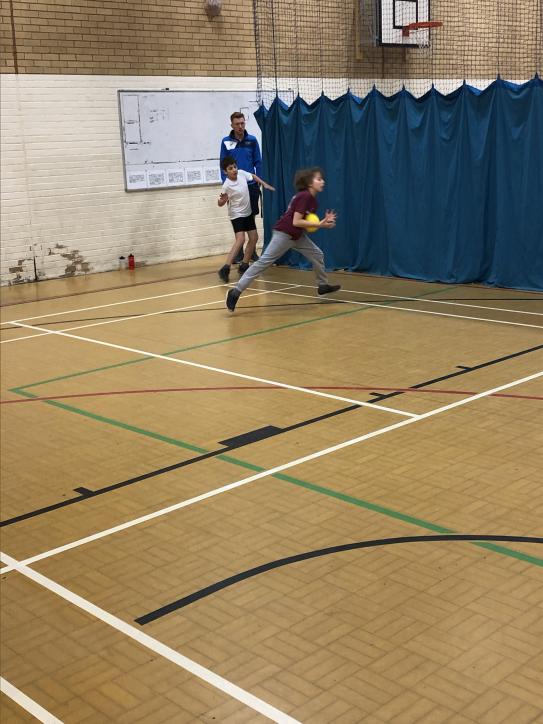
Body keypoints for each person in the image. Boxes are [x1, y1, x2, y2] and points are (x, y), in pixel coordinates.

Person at [226, 167, 341, 312]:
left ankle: (322, 285)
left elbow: (303, 223)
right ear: (310, 183)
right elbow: (296, 221)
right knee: (263, 263)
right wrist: (320, 224)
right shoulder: (304, 196)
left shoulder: (312, 201)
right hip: (284, 234)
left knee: (317, 254)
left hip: (297, 235)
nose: (322, 181)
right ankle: (235, 292)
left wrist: (322, 222)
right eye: (319, 179)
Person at [217, 156, 275, 283]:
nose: (234, 170)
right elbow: (220, 203)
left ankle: (244, 266)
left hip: (247, 213)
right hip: (236, 215)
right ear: (225, 172)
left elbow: (253, 176)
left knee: (254, 238)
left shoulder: (242, 174)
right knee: (241, 239)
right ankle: (225, 268)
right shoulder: (226, 186)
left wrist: (264, 184)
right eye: (230, 168)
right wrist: (222, 200)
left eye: (235, 167)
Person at [220, 112, 263, 263]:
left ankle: (250, 252)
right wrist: (226, 187)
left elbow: (258, 162)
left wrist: (258, 180)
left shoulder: (252, 140)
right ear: (232, 125)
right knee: (238, 217)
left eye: (242, 123)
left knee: (250, 217)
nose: (240, 126)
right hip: (234, 189)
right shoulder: (226, 142)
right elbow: (223, 164)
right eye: (237, 124)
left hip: (250, 186)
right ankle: (238, 253)